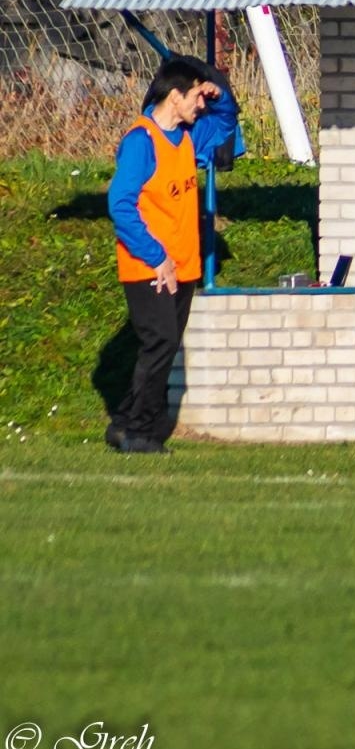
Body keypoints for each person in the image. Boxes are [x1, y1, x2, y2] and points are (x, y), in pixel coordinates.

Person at [106, 55, 239, 454]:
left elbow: (225, 126)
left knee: (164, 344)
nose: (201, 105)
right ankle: (142, 433)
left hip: (183, 268)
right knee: (161, 342)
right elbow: (121, 205)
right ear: (175, 96)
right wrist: (155, 256)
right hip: (149, 268)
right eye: (197, 96)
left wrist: (221, 99)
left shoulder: (189, 136)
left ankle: (125, 423)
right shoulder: (141, 142)